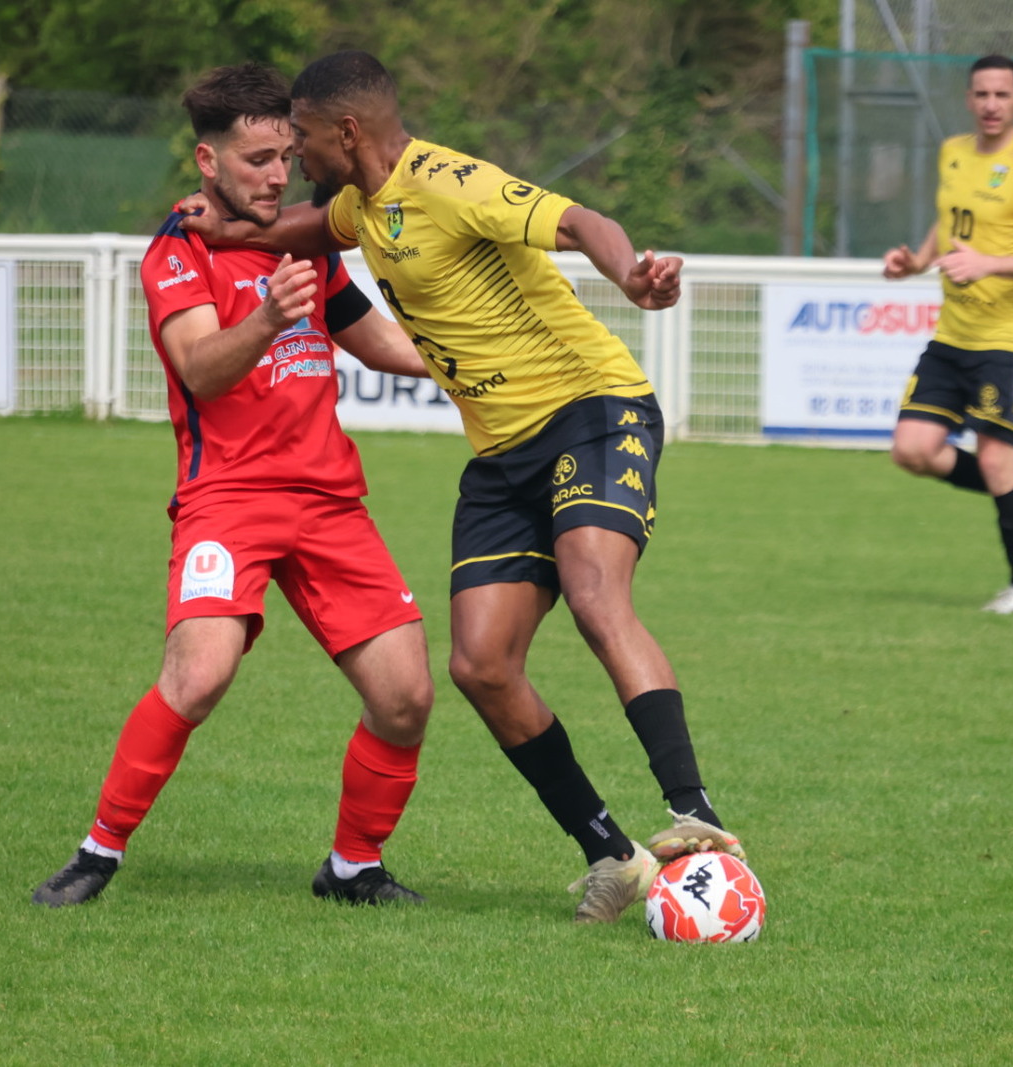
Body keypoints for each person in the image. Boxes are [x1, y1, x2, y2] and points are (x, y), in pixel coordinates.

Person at [182, 49, 742, 924]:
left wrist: (632, 275)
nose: (296, 155)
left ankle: (694, 812)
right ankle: (611, 853)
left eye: (304, 138)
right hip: (501, 456)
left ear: (347, 131)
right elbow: (308, 229)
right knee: (481, 665)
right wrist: (225, 233)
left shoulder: (451, 183)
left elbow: (580, 220)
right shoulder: (360, 205)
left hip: (592, 410)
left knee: (595, 593)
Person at [31, 63, 436, 908]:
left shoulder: (298, 245)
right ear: (208, 160)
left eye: (286, 156)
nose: (279, 175)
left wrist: (476, 357)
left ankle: (353, 867)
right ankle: (97, 853)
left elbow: (386, 345)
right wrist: (268, 317)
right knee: (199, 675)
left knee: (406, 696)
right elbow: (201, 369)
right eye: (258, 160)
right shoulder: (176, 251)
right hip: (228, 498)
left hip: (328, 501)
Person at [881, 54, 1013, 614]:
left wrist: (989, 264)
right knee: (912, 450)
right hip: (953, 335)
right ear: (969, 100)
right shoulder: (954, 152)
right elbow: (950, 221)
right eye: (982, 94)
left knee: (995, 461)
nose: (991, 104)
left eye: (1001, 95)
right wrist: (918, 262)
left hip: (1008, 340)